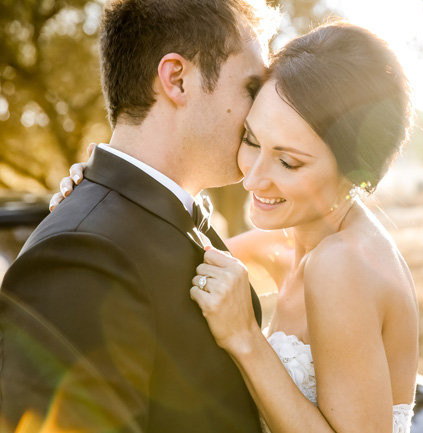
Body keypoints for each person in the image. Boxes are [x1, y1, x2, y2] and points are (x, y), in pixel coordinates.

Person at [52, 22, 419, 433]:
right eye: (251, 138)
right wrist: (101, 191)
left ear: (355, 171)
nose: (253, 178)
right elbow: (166, 254)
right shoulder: (284, 244)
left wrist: (246, 338)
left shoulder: (342, 264)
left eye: (289, 162)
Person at [0, 1, 271, 432]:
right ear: (177, 80)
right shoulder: (80, 255)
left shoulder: (175, 221)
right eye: (252, 89)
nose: (261, 115)